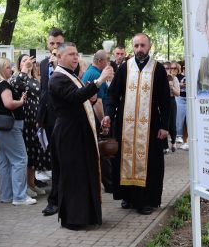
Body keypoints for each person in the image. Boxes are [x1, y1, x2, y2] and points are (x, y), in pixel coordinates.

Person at [104, 33, 170, 215]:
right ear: (132, 47)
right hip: (125, 126)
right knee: (124, 160)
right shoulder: (125, 68)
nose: (139, 49)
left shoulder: (158, 69)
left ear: (149, 46)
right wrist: (108, 114)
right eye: (136, 45)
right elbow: (112, 94)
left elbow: (165, 100)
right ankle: (128, 197)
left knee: (150, 163)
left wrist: (165, 126)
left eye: (143, 45)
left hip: (150, 127)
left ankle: (146, 201)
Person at [49, 42, 113, 229]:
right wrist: (99, 81)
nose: (75, 57)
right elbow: (74, 97)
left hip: (78, 131)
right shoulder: (57, 78)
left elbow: (78, 100)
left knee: (83, 173)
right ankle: (74, 219)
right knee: (73, 176)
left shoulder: (70, 75)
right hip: (69, 134)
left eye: (76, 54)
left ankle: (86, 215)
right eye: (71, 54)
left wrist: (90, 100)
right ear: (59, 57)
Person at [0, 57, 33, 205]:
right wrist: (21, 101)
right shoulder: (4, 85)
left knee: (4, 161)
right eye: (8, 67)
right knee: (20, 159)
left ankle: (7, 195)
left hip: (0, 126)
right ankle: (20, 197)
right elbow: (9, 103)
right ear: (1, 69)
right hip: (10, 126)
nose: (11, 69)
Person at [11, 54, 47, 198]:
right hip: (26, 120)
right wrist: (24, 70)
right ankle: (26, 186)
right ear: (19, 64)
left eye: (29, 60)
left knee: (35, 153)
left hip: (36, 121)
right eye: (24, 60)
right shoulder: (18, 77)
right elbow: (16, 85)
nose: (28, 62)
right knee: (28, 153)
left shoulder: (35, 79)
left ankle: (32, 183)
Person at [38, 27, 65, 216]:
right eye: (52, 43)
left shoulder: (71, 63)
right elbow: (43, 91)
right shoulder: (42, 64)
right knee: (54, 159)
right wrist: (40, 118)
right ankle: (55, 199)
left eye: (58, 43)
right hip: (48, 119)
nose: (55, 46)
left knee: (63, 160)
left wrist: (57, 66)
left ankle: (58, 199)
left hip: (64, 118)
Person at [81, 50, 113, 192]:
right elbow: (97, 102)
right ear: (100, 61)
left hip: (93, 118)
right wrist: (103, 122)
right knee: (104, 151)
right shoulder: (95, 74)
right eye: (107, 60)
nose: (108, 63)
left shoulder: (90, 72)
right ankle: (109, 183)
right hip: (96, 118)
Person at [164, 62, 180, 153]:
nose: (165, 70)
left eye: (167, 68)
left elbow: (178, 93)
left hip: (171, 101)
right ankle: (165, 146)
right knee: (163, 124)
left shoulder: (174, 78)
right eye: (164, 68)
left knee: (172, 123)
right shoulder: (160, 78)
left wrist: (171, 86)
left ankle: (173, 142)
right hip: (162, 102)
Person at [175, 61, 189, 150]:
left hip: (190, 99)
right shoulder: (179, 76)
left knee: (188, 121)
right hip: (180, 98)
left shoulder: (193, 75)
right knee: (180, 120)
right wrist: (181, 84)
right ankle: (180, 137)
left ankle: (187, 142)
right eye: (185, 67)